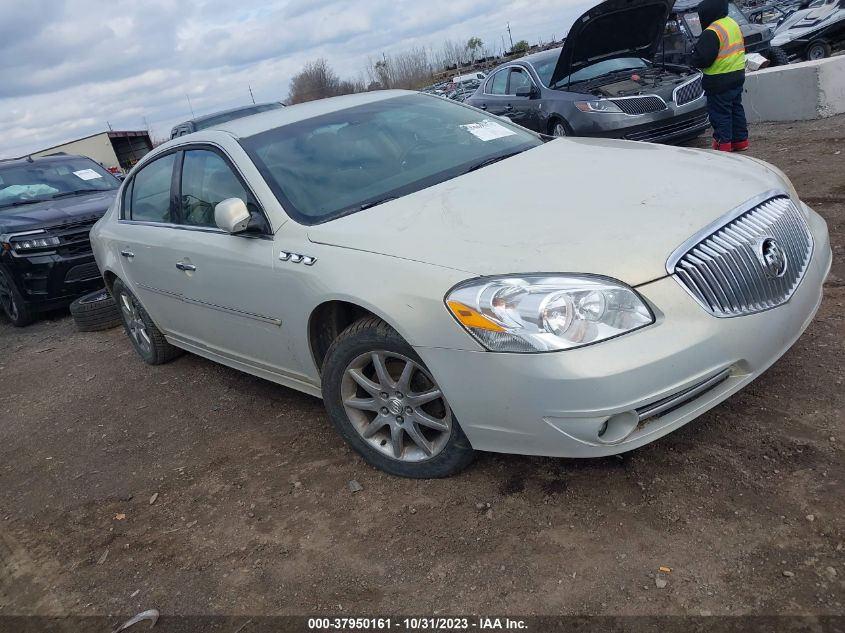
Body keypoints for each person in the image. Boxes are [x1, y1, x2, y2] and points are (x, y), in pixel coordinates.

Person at [690, 0, 749, 152]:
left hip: (719, 79)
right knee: (736, 108)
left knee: (720, 114)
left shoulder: (712, 31)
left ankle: (723, 145)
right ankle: (741, 141)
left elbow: (703, 59)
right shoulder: (731, 23)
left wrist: (691, 58)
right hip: (737, 74)